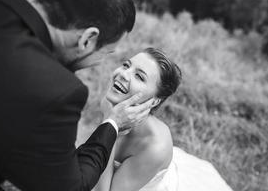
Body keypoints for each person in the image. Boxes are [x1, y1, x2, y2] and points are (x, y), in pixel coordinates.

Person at [0, 0, 154, 190]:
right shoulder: (56, 91)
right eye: (106, 53)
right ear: (88, 38)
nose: (101, 62)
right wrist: (112, 124)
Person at [92, 48, 234, 191]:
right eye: (126, 65)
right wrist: (111, 124)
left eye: (139, 77)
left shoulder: (155, 146)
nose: (123, 74)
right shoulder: (114, 105)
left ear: (154, 101)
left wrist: (109, 126)